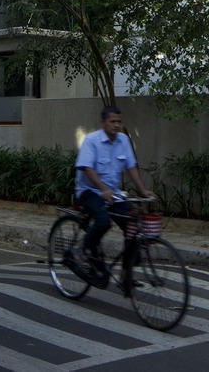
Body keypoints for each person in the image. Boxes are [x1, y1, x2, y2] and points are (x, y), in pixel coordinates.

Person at [72, 105, 154, 287]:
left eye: (119, 121)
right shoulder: (92, 140)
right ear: (103, 122)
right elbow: (86, 168)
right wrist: (103, 189)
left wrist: (142, 190)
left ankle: (126, 275)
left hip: (113, 194)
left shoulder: (123, 140)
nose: (116, 125)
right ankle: (82, 248)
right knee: (103, 222)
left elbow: (131, 166)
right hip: (90, 191)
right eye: (112, 121)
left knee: (132, 227)